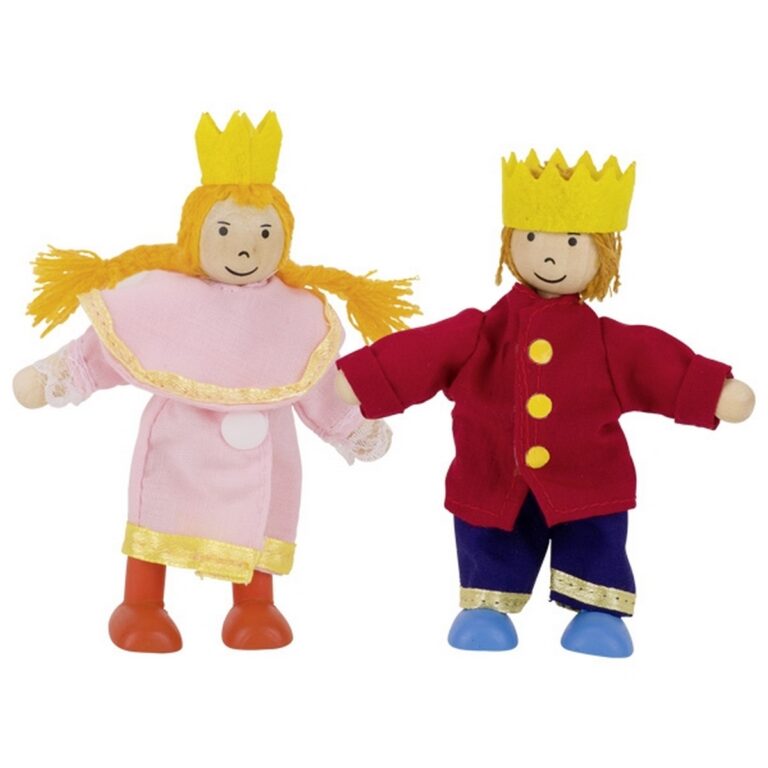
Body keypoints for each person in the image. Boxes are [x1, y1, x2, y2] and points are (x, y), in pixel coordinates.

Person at [13, 111, 419, 653]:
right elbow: (110, 350)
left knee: (258, 521)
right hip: (181, 443)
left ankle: (254, 606)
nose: (245, 248)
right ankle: (141, 605)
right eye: (225, 231)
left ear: (283, 237)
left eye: (264, 233)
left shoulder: (296, 313)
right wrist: (53, 377)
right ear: (197, 232)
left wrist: (352, 429)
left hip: (268, 450)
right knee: (161, 514)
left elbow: (318, 382)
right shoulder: (163, 297)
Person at [334, 149, 754, 657]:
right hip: (492, 473)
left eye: (572, 241)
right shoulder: (481, 333)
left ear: (602, 253)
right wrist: (368, 377)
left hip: (589, 477)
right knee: (491, 536)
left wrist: (712, 391)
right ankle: (485, 609)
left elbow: (653, 362)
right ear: (511, 242)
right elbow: (427, 352)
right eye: (532, 237)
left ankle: (598, 614)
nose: (549, 255)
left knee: (594, 538)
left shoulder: (605, 343)